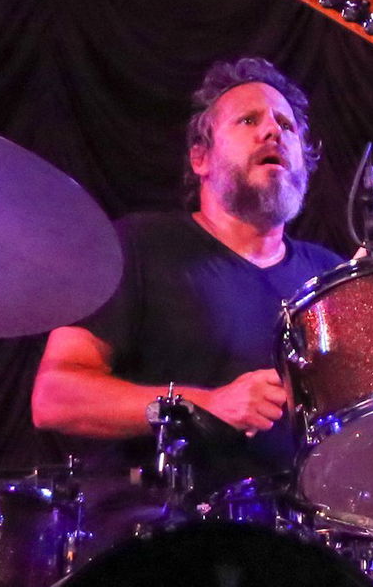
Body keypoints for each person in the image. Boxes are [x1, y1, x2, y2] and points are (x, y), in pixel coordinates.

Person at [32, 57, 340, 487]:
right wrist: (205, 404)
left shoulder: (332, 277)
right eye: (249, 120)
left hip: (303, 522)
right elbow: (55, 398)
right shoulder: (139, 246)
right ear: (201, 158)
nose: (273, 131)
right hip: (162, 519)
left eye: (286, 125)